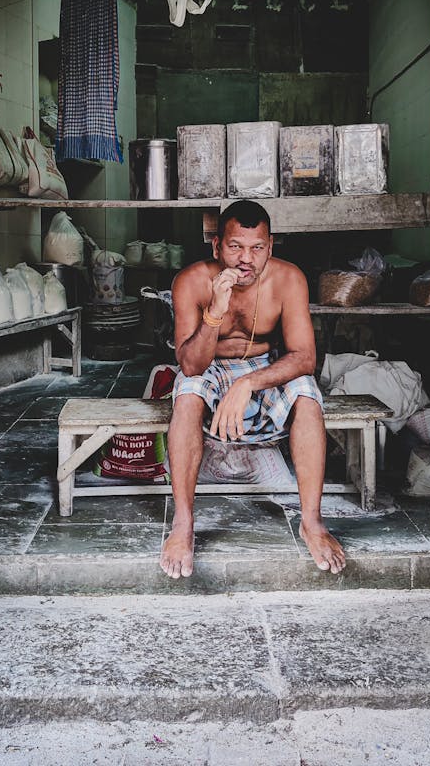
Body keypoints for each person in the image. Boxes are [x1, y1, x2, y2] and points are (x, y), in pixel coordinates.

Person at [160, 199, 346, 580]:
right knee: (188, 391)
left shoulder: (288, 279)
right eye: (235, 247)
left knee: (307, 391)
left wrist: (247, 383)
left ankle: (311, 521)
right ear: (216, 246)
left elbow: (304, 356)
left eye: (257, 248)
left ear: (271, 245)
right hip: (210, 368)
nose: (247, 259)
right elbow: (191, 364)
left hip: (261, 370)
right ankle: (183, 524)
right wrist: (215, 310)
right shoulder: (191, 281)